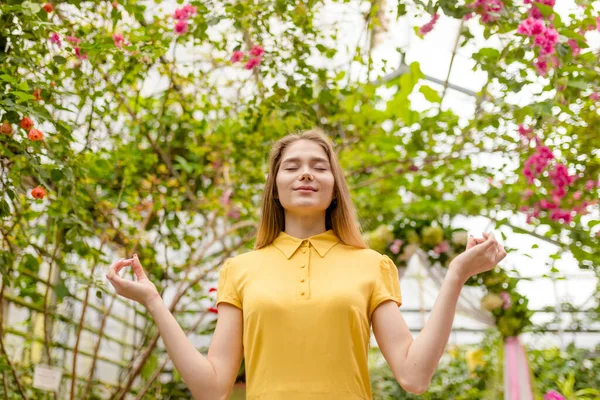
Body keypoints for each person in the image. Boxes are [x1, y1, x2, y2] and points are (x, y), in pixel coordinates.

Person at [107, 128, 507, 400]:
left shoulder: (372, 265)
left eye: (319, 166)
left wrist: (456, 276)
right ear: (275, 187)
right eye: (292, 166)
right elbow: (212, 388)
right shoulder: (240, 269)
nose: (306, 175)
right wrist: (155, 303)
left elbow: (414, 376)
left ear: (334, 188)